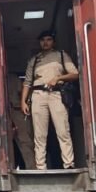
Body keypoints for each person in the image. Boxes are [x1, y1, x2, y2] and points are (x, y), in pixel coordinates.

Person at [21, 31, 79, 170]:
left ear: (53, 42)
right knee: (39, 133)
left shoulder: (61, 55)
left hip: (56, 94)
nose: (45, 42)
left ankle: (69, 164)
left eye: (48, 39)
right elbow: (27, 82)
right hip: (38, 94)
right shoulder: (34, 60)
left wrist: (58, 78)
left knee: (63, 130)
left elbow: (75, 74)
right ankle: (41, 166)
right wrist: (23, 101)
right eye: (43, 40)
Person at [7, 73, 36, 170]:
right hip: (10, 111)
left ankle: (32, 169)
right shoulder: (13, 78)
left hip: (16, 110)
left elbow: (25, 92)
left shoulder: (13, 78)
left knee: (25, 141)